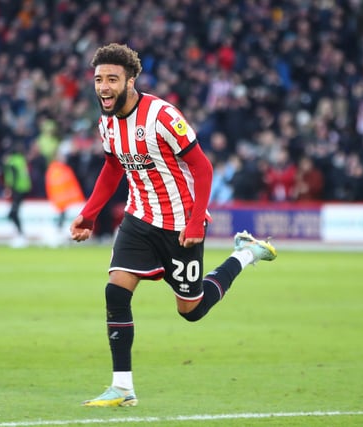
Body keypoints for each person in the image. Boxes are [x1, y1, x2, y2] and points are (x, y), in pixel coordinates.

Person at [69, 43, 277, 407]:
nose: (103, 87)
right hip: (138, 218)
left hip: (180, 225)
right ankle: (122, 387)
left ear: (131, 80)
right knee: (116, 291)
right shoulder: (106, 121)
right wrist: (90, 213)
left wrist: (196, 221)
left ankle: (245, 255)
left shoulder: (162, 116)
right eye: (99, 79)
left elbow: (203, 167)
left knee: (191, 310)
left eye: (112, 79)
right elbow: (113, 167)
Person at [3, 142, 32, 248]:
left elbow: (13, 176)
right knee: (14, 213)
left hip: (17, 189)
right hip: (24, 188)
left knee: (13, 213)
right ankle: (20, 234)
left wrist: (9, 188)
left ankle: (21, 235)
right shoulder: (21, 160)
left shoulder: (12, 161)